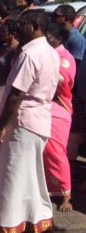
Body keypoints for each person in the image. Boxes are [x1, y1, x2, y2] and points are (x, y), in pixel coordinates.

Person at [0, 10, 58, 233]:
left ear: (35, 25)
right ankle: (37, 220)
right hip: (39, 120)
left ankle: (7, 224)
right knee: (32, 174)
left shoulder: (31, 54)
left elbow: (17, 94)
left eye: (23, 24)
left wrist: (0, 126)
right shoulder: (51, 51)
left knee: (13, 173)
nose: (18, 29)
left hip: (22, 121)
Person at [42, 23, 76, 212]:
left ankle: (66, 195)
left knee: (56, 153)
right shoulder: (48, 55)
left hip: (58, 110)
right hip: (44, 108)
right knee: (42, 153)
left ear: (59, 40)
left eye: (50, 39)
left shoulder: (65, 58)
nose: (46, 42)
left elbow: (62, 79)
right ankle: (47, 189)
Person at [0, 20, 20, 122]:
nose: (2, 34)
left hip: (6, 87)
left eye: (5, 31)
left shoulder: (16, 49)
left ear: (12, 33)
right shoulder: (4, 47)